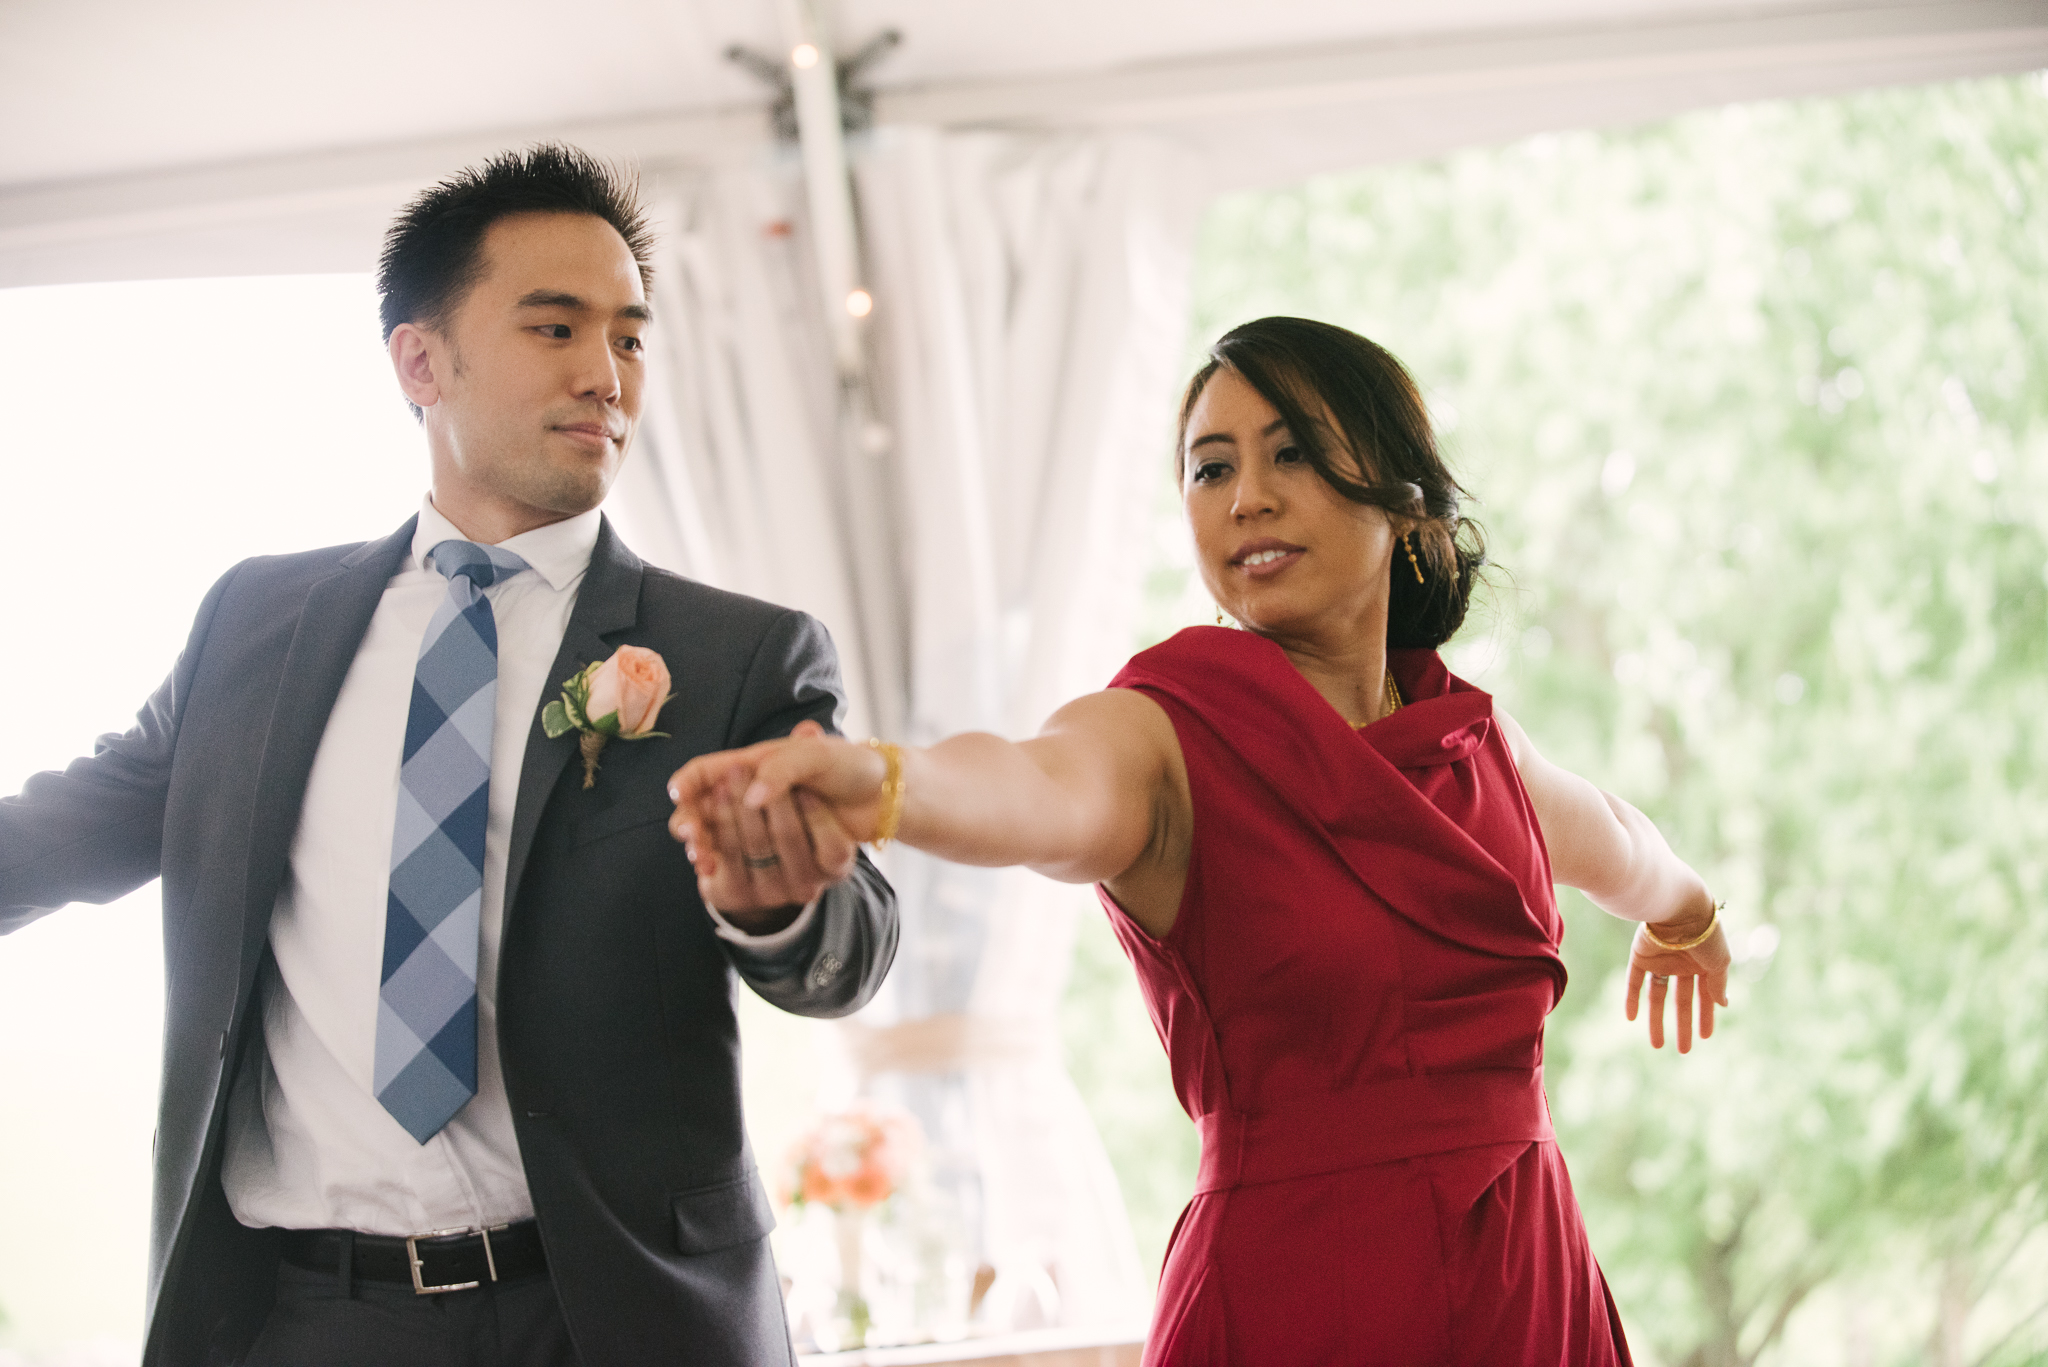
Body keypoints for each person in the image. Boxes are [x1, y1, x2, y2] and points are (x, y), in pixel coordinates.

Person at [669, 316, 1733, 1365]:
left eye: (1292, 454)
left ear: (1405, 502)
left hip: (1527, 1293)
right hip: (1299, 1298)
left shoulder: (1481, 744)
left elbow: (1624, 844)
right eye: (1209, 468)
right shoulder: (1167, 729)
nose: (1246, 497)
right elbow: (1035, 783)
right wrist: (882, 783)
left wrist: (1685, 914)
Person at [0, 144, 897, 1367]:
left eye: (630, 336)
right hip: (303, 1320)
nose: (605, 373)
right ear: (420, 361)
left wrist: (783, 905)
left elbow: (850, 945)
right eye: (553, 327)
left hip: (608, 1320)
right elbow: (55, 834)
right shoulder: (256, 625)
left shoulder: (734, 652)